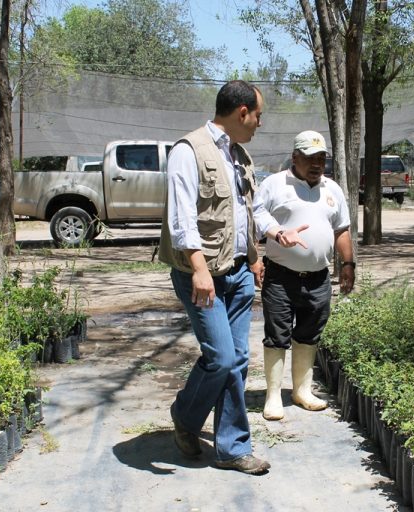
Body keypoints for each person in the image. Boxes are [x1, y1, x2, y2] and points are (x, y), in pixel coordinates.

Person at [157, 80, 270, 475]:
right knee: (221, 357)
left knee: (237, 360)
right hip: (202, 275)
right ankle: (186, 417)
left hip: (239, 272)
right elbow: (181, 217)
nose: (259, 123)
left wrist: (254, 256)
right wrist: (200, 269)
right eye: (258, 115)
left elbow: (244, 211)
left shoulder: (240, 155)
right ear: (241, 112)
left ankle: (233, 448)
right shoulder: (188, 151)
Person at [253, 130, 355, 421]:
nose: (317, 164)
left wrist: (348, 264)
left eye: (321, 158)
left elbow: (341, 229)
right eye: (310, 158)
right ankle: (273, 396)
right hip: (281, 277)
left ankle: (302, 390)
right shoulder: (274, 184)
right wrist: (276, 232)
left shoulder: (332, 189)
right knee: (277, 335)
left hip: (318, 278)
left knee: (310, 333)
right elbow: (257, 217)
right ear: (295, 157)